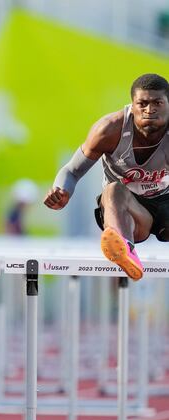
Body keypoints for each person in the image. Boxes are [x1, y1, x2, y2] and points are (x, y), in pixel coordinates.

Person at [44, 73, 169, 280]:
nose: (149, 110)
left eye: (157, 103)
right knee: (113, 189)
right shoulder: (109, 129)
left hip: (164, 201)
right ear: (132, 105)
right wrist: (62, 190)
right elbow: (72, 170)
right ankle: (124, 249)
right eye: (142, 104)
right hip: (125, 212)